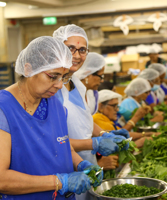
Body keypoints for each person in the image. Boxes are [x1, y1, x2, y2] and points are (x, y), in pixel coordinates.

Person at [0, 36, 103, 200]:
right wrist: (59, 182)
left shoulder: (54, 103)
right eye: (52, 76)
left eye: (63, 77)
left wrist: (81, 164)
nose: (59, 85)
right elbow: (2, 180)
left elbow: (61, 144)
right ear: (28, 69)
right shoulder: (4, 109)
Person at [53, 25, 128, 200]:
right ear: (57, 48)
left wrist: (104, 134)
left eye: (82, 50)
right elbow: (55, 141)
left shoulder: (78, 85)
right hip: (68, 173)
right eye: (70, 48)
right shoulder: (52, 90)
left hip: (88, 165)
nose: (77, 55)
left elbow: (84, 120)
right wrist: (94, 143)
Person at [94, 89, 159, 148]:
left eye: (117, 106)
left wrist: (146, 134)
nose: (117, 109)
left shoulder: (107, 119)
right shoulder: (97, 118)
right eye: (114, 106)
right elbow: (116, 140)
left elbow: (123, 133)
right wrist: (136, 145)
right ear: (101, 107)